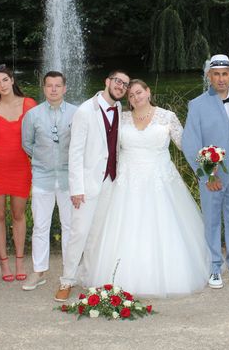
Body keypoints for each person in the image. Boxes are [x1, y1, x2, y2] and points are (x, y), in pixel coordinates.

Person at [86, 79, 210, 296]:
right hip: (127, 184)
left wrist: (207, 167)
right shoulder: (121, 118)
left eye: (139, 92)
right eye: (131, 96)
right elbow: (109, 150)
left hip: (160, 182)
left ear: (148, 92)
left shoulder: (167, 116)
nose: (135, 98)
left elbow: (185, 145)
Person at [182, 54, 229, 289]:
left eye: (225, 74)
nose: (221, 78)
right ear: (209, 76)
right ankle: (214, 267)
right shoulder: (197, 105)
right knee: (212, 221)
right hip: (212, 177)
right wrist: (207, 174)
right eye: (216, 74)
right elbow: (190, 143)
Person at [54, 70, 130, 301]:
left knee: (97, 233)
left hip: (110, 181)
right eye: (118, 81)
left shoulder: (118, 108)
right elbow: (75, 152)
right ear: (107, 82)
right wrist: (76, 189)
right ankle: (67, 280)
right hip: (87, 185)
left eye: (125, 85)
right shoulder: (85, 111)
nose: (121, 86)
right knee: (79, 233)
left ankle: (87, 277)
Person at [0, 65, 37, 282]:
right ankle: (4, 262)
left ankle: (20, 261)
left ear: (12, 80)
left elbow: (39, 132)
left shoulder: (29, 104)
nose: (1, 85)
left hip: (20, 167)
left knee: (18, 215)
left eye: (4, 80)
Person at [21, 71, 77, 291]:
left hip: (68, 178)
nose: (53, 89)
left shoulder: (76, 113)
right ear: (43, 88)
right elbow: (27, 143)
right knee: (40, 226)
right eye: (49, 86)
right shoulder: (33, 115)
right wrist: (43, 158)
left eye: (57, 85)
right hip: (42, 177)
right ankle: (39, 271)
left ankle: (70, 272)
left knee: (70, 226)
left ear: (65, 88)